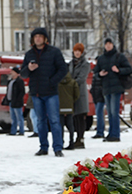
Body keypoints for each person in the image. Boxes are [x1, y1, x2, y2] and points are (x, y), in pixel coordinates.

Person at [20, 27, 68, 156]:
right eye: (35, 37)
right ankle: (43, 147)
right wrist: (29, 68)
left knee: (54, 120)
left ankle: (58, 148)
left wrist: (52, 81)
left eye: (40, 36)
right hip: (36, 93)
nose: (38, 38)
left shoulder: (54, 52)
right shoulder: (29, 54)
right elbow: (23, 74)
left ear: (45, 39)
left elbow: (63, 69)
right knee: (40, 121)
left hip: (51, 92)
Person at [94, 37, 132, 142]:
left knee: (114, 111)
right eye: (106, 44)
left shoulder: (119, 57)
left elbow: (129, 69)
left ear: (113, 45)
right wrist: (100, 74)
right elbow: (95, 73)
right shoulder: (101, 58)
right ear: (104, 46)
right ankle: (111, 133)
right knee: (109, 112)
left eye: (110, 43)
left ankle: (115, 134)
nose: (108, 46)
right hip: (106, 88)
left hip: (116, 88)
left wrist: (119, 70)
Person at [68, 43, 90, 149]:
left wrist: (70, 83)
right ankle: (75, 138)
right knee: (74, 117)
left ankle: (80, 138)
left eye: (79, 51)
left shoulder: (85, 64)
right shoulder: (70, 63)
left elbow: (81, 78)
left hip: (80, 93)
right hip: (71, 93)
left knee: (80, 116)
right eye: (75, 51)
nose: (77, 53)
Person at [58, 70, 79, 150]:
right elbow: (76, 95)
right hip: (69, 107)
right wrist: (71, 102)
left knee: (61, 126)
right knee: (70, 126)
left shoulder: (57, 82)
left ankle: (61, 142)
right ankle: (71, 142)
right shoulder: (73, 82)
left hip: (59, 107)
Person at [7, 66, 26, 136]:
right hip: (11, 101)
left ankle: (21, 131)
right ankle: (13, 131)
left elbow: (22, 92)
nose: (11, 73)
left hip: (17, 102)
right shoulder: (10, 81)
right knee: (13, 117)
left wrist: (18, 100)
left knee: (19, 117)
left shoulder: (19, 81)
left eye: (12, 72)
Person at [91, 69, 105, 139]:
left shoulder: (101, 73)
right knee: (98, 114)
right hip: (96, 96)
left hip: (100, 96)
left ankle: (100, 132)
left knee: (99, 113)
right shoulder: (96, 73)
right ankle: (100, 131)